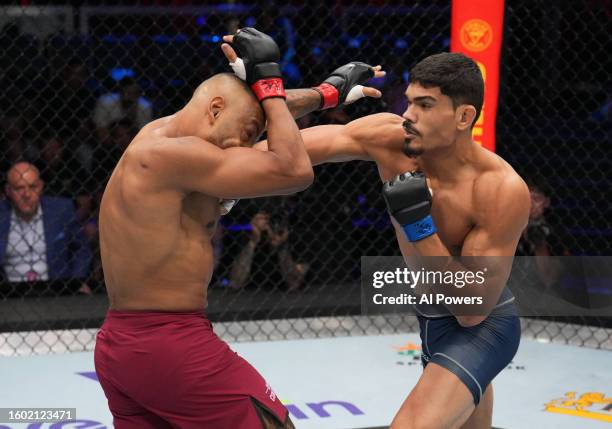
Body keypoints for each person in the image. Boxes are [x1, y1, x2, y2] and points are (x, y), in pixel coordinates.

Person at [94, 28, 381, 429]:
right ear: (213, 109)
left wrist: (324, 94)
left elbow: (256, 113)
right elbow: (292, 168)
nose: (244, 147)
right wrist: (268, 80)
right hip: (169, 344)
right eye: (248, 134)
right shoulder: (171, 156)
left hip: (121, 346)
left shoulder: (160, 136)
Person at [231, 50, 530, 428]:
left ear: (464, 116)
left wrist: (418, 223)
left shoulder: (498, 189)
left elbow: (470, 310)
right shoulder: (390, 139)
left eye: (425, 105)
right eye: (409, 101)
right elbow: (276, 152)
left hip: (482, 327)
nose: (409, 115)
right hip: (432, 317)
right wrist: (302, 93)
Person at [0, 162, 92, 293]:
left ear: (41, 187)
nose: (27, 194)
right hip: (10, 292)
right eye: (19, 188)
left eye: (32, 187)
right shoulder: (2, 216)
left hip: (56, 289)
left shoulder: (61, 210)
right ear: (8, 191)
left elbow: (81, 249)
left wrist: (75, 282)